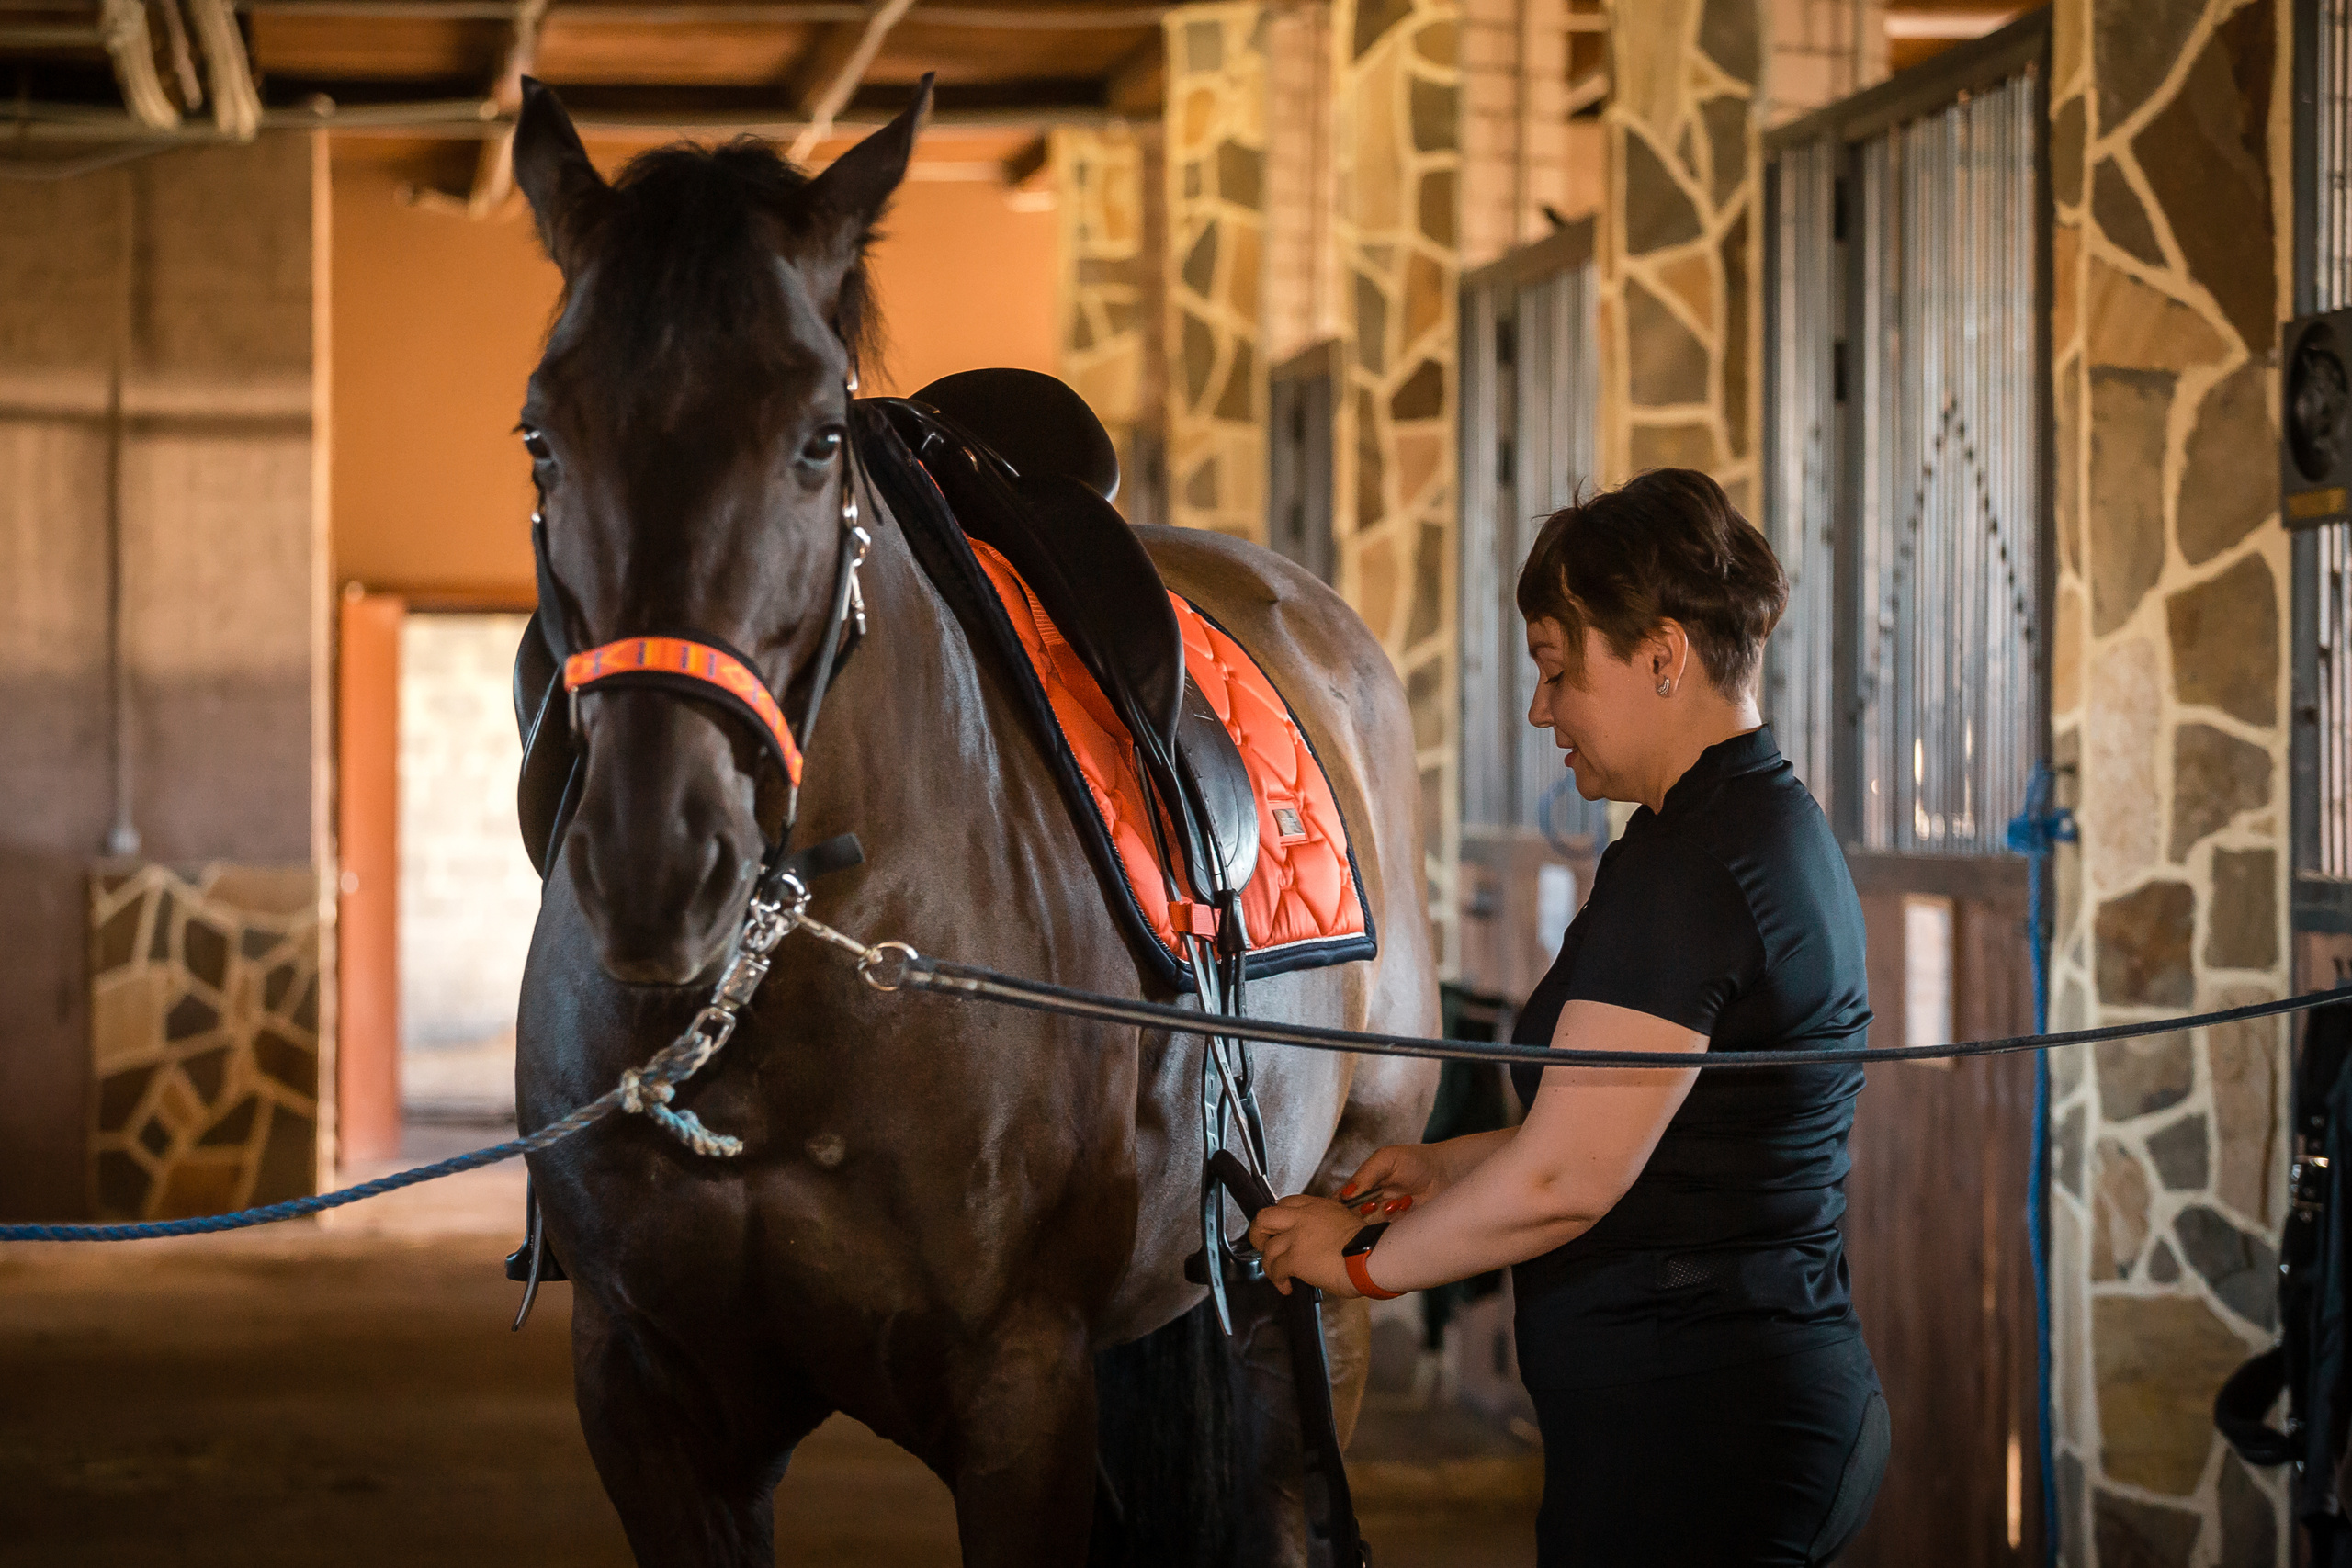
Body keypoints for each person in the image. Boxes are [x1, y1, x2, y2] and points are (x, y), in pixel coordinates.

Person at [1249, 468, 1888, 1565]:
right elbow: (1639, 1134)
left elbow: (1566, 1183)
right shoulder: (1736, 825)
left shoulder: (1697, 865)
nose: (1542, 710)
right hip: (1706, 1419)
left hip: (1709, 1443)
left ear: (1661, 654)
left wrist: (1354, 1262)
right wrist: (1445, 1169)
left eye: (1557, 670)